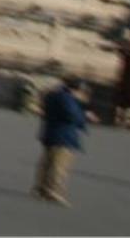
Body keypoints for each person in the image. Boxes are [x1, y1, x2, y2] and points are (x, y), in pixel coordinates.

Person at [32, 76, 89, 204]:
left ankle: (41, 187)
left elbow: (45, 109)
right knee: (59, 165)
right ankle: (54, 190)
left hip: (50, 132)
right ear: (77, 89)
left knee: (46, 163)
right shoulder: (67, 98)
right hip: (64, 135)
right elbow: (72, 115)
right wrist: (83, 115)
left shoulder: (52, 95)